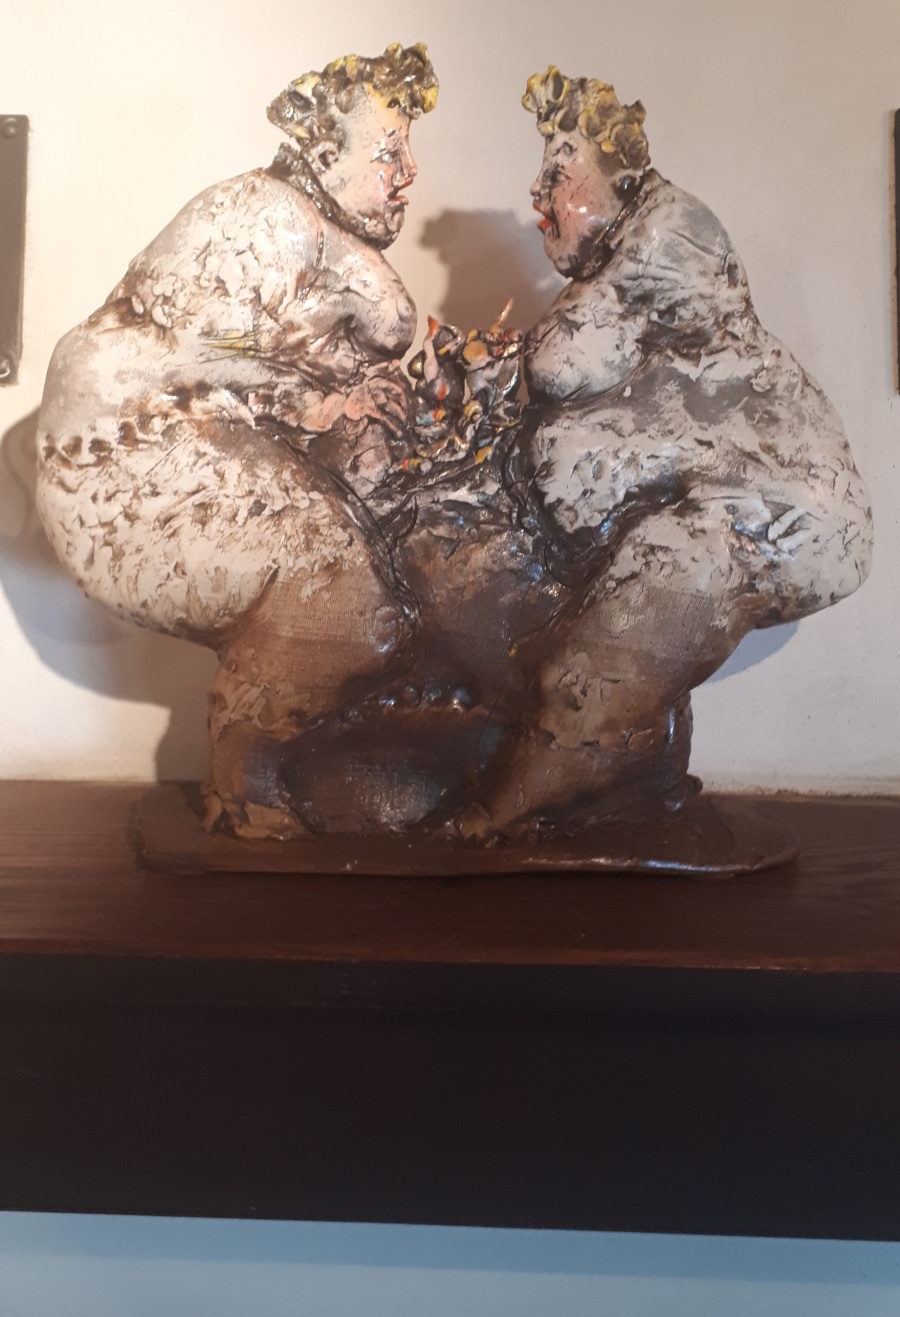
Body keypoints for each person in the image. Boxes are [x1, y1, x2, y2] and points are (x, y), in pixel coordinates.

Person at [37, 44, 438, 837]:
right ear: (325, 153)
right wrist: (326, 399)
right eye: (388, 151)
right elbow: (204, 349)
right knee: (340, 592)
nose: (409, 171)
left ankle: (295, 767)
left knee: (378, 582)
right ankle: (248, 785)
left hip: (192, 432)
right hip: (127, 453)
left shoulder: (312, 224)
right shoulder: (262, 216)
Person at [467, 65, 873, 835]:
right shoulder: (633, 241)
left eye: (560, 172)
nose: (538, 193)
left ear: (619, 174)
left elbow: (561, 361)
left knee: (593, 671)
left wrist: (502, 363)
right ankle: (618, 787)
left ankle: (522, 808)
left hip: (780, 512)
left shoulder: (667, 234)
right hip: (724, 502)